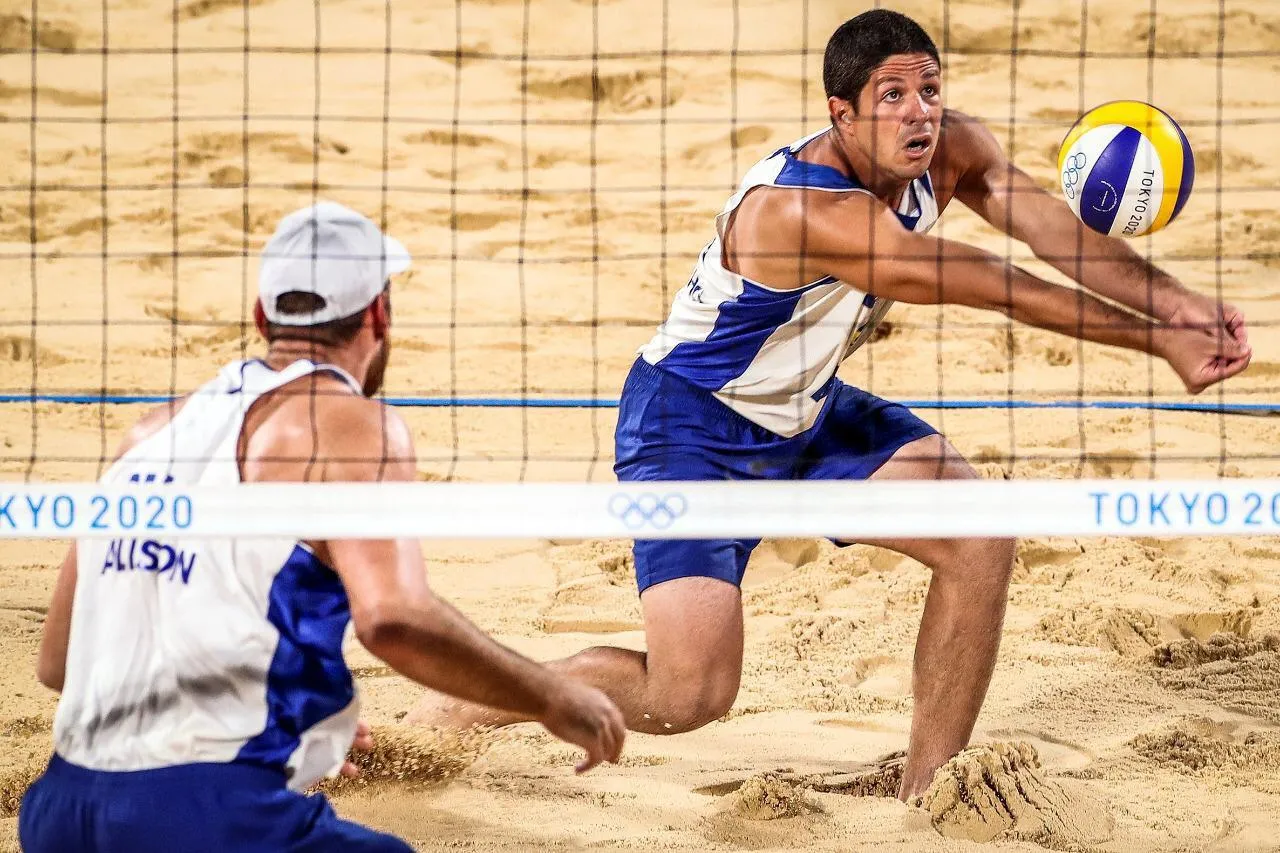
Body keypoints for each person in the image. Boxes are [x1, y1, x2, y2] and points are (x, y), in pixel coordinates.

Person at [409, 10, 1251, 801]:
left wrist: (1176, 302)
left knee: (978, 531)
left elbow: (1056, 235)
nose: (919, 112)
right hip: (689, 425)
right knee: (687, 693)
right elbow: (982, 282)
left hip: (805, 410)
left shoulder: (952, 151)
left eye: (929, 89)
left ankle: (932, 789)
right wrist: (1155, 342)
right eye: (892, 96)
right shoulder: (805, 210)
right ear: (841, 114)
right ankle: (463, 706)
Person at [19, 201, 626, 852]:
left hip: (60, 811)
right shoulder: (350, 423)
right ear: (378, 315)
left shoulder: (148, 435)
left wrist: (300, 725)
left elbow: (58, 661)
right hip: (206, 813)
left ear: (262, 318)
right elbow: (394, 618)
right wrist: (552, 696)